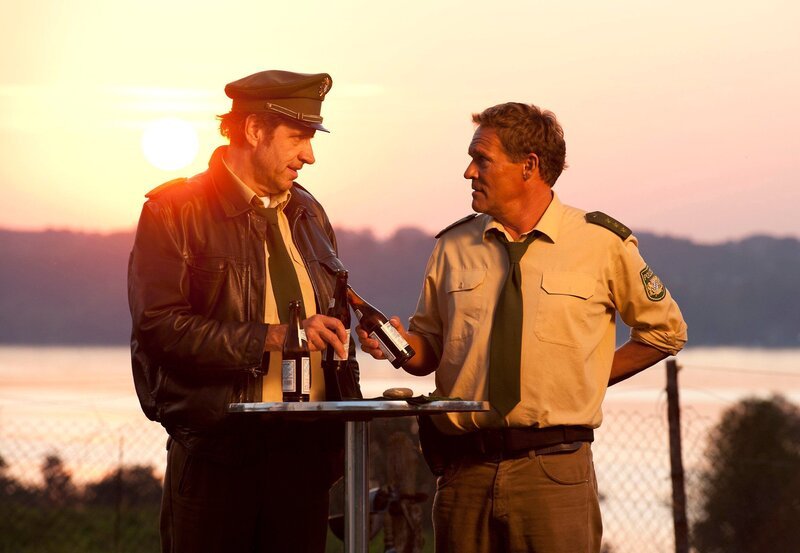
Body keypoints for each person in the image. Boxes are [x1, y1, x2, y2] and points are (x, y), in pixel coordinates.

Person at [356, 102, 687, 552]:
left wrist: (587, 377)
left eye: (482, 159)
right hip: (463, 473)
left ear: (528, 166)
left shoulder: (601, 243)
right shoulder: (453, 246)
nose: (469, 172)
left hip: (553, 473)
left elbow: (665, 332)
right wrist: (397, 345)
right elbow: (429, 349)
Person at [128, 70, 358, 553]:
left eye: (311, 139)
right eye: (298, 137)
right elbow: (159, 328)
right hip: (218, 453)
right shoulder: (173, 210)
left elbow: (329, 316)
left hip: (305, 459)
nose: (309, 155)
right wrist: (272, 337)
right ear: (254, 130)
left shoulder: (310, 212)